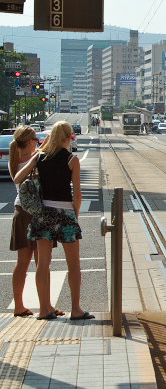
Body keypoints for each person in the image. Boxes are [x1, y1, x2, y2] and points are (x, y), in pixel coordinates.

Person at [14, 121, 93, 321]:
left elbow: (17, 178)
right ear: (68, 138)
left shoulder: (40, 157)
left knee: (43, 264)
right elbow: (77, 195)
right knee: (73, 263)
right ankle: (76, 309)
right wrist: (75, 215)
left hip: (43, 213)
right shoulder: (72, 160)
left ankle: (43, 310)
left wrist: (34, 160)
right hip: (65, 212)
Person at [8, 126, 60, 318]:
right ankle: (46, 306)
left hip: (20, 212)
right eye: (35, 140)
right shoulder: (35, 159)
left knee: (22, 263)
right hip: (37, 213)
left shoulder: (15, 159)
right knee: (43, 263)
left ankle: (19, 306)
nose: (37, 142)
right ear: (29, 141)